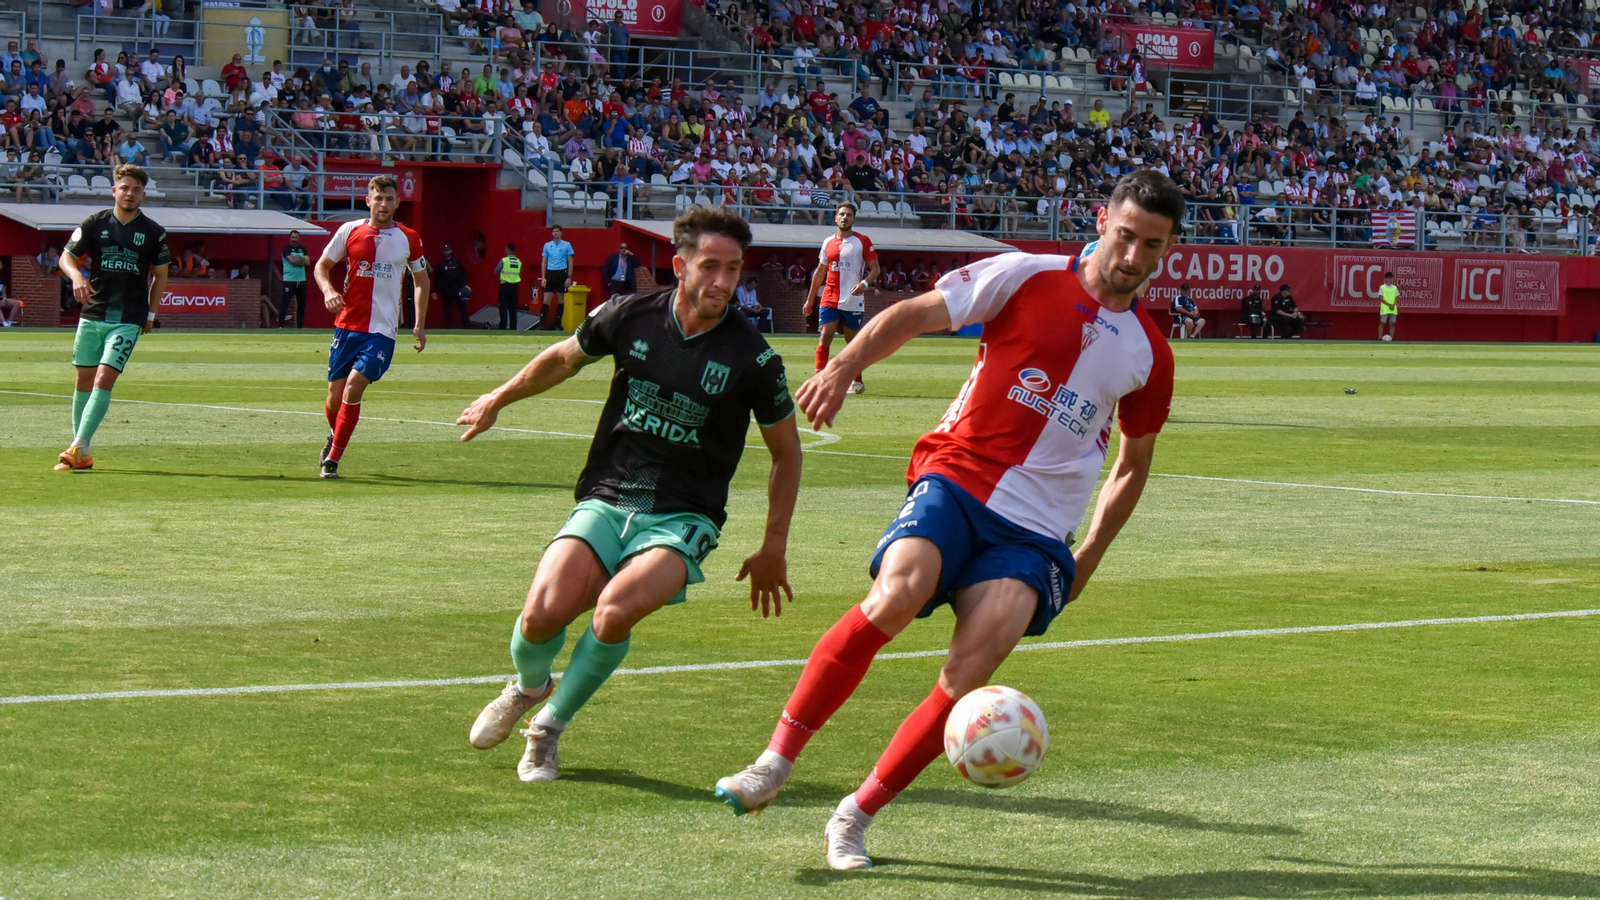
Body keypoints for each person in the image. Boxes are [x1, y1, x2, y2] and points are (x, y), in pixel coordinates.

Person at [714, 170, 1182, 871]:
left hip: (1036, 532)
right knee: (895, 595)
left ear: (1169, 249)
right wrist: (844, 366)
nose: (1134, 255)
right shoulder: (1025, 275)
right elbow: (913, 314)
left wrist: (1087, 556)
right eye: (1126, 236)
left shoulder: (1150, 352)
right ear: (1101, 221)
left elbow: (1132, 465)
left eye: (1152, 245)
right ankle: (774, 763)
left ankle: (855, 815)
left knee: (970, 672)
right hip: (959, 476)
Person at [459, 207, 803, 783]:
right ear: (680, 266)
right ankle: (528, 687)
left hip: (685, 516)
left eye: (734, 268)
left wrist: (774, 546)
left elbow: (787, 453)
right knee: (540, 616)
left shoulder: (755, 358)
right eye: (710, 266)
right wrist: (499, 397)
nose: (723, 281)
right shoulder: (629, 314)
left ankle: (547, 729)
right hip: (609, 494)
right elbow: (563, 359)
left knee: (614, 611)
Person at [53, 164, 172, 471]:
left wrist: (151, 314)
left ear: (143, 195)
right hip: (93, 313)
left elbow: (161, 275)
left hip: (128, 318)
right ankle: (83, 452)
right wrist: (77, 276)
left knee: (104, 378)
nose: (130, 194)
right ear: (114, 191)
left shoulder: (154, 232)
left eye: (136, 190)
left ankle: (77, 446)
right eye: (125, 188)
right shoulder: (94, 223)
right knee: (83, 380)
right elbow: (66, 257)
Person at [312, 175, 430, 479]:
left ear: (397, 202)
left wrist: (419, 323)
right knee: (334, 398)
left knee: (354, 386)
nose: (384, 204)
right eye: (378, 198)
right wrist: (328, 291)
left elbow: (421, 280)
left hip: (382, 330)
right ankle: (335, 436)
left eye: (389, 199)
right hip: (347, 326)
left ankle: (333, 460)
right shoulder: (349, 230)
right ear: (368, 201)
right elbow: (321, 266)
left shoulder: (409, 237)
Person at [804, 202, 879, 394]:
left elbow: (875, 269)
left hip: (853, 298)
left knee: (852, 342)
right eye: (842, 214)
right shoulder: (827, 242)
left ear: (854, 219)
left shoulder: (862, 241)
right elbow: (820, 272)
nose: (845, 217)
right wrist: (810, 299)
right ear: (836, 218)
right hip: (830, 297)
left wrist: (864, 284)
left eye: (849, 215)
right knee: (825, 335)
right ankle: (819, 380)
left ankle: (857, 382)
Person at [540, 225, 574, 331]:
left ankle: (558, 324)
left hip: (561, 272)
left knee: (560, 299)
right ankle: (542, 324)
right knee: (546, 299)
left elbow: (570, 261)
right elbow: (544, 261)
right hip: (550, 272)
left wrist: (569, 277)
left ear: (561, 232)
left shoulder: (567, 245)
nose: (555, 233)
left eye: (557, 231)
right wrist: (543, 277)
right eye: (554, 231)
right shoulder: (547, 245)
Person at [279, 229, 309, 327]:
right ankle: (280, 325)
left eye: (296, 237)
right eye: (293, 237)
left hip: (301, 280)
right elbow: (292, 261)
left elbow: (308, 262)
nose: (294, 239)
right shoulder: (286, 249)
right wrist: (301, 260)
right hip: (289, 280)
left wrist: (297, 260)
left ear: (299, 238)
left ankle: (300, 326)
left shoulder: (303, 249)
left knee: (301, 305)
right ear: (290, 238)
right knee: (285, 303)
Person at [435, 244, 469, 328]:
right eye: (445, 251)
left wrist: (465, 285)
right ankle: (447, 327)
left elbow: (463, 274)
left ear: (451, 251)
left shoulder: (456, 262)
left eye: (448, 250)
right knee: (447, 309)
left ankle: (467, 326)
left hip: (457, 289)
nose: (446, 252)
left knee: (462, 308)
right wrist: (436, 290)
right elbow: (437, 278)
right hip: (446, 290)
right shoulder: (441, 264)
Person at [496, 242, 522, 330]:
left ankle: (503, 325)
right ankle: (513, 326)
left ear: (507, 249)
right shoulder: (518, 261)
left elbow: (496, 271)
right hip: (515, 286)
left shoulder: (504, 260)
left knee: (503, 306)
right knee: (513, 307)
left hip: (505, 285)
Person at [1378, 271, 1399, 341]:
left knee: (1392, 323)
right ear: (1385, 279)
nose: (1389, 279)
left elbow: (1396, 297)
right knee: (1382, 323)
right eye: (1388, 278)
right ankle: (1379, 338)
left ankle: (1392, 337)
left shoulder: (1394, 288)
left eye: (1390, 278)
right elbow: (1381, 297)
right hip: (1385, 308)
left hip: (1392, 308)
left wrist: (1393, 304)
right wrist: (1389, 304)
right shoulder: (1382, 287)